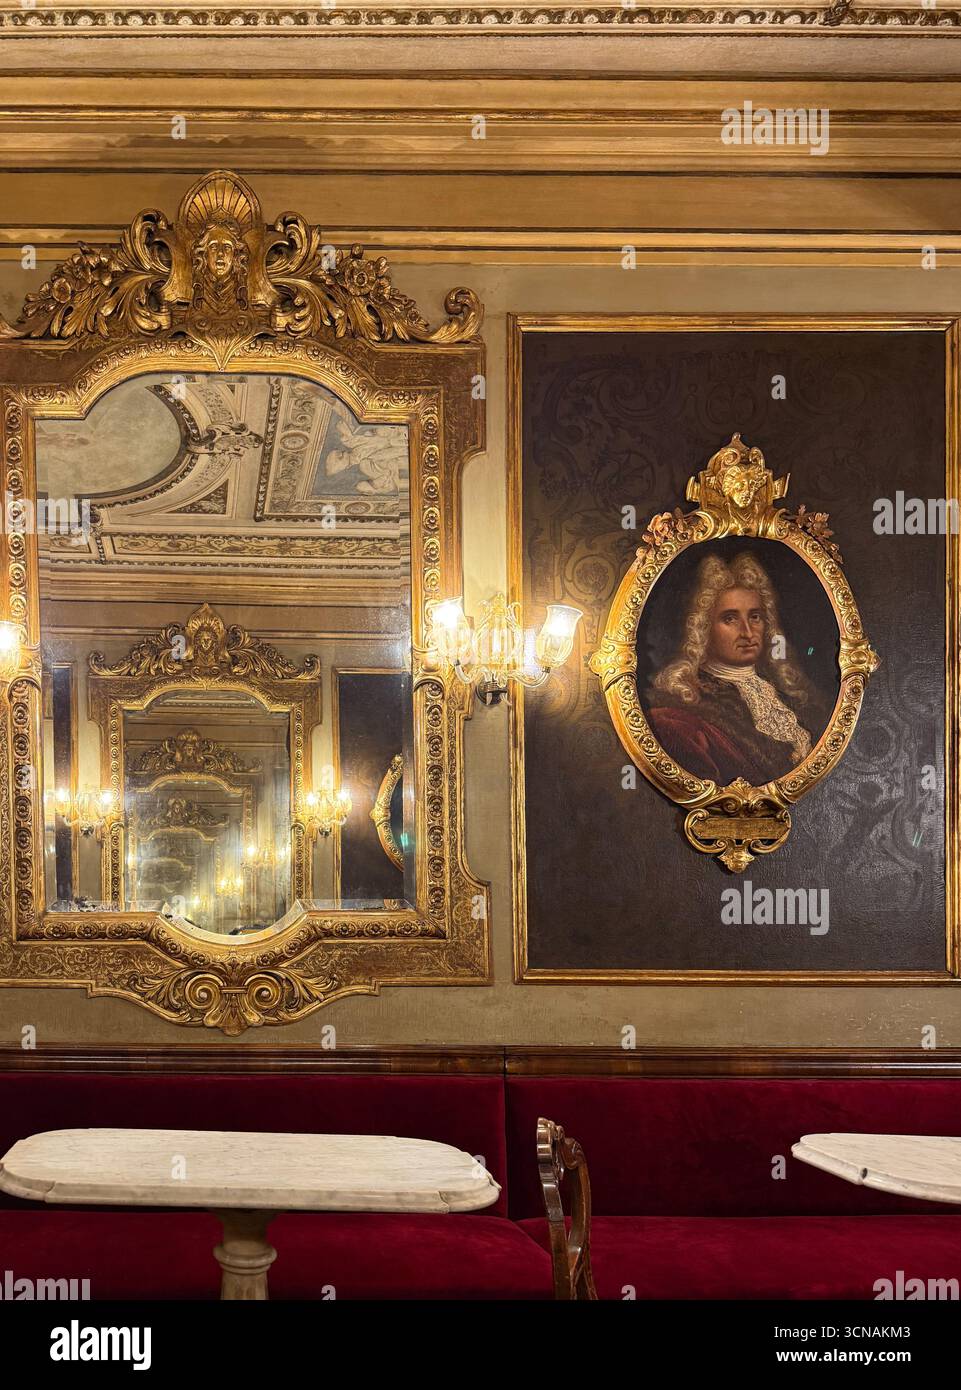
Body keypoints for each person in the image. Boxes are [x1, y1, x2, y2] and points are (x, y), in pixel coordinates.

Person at [644, 550, 832, 786]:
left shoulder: (785, 698)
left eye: (755, 617)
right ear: (704, 628)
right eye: (730, 619)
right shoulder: (683, 710)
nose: (747, 631)